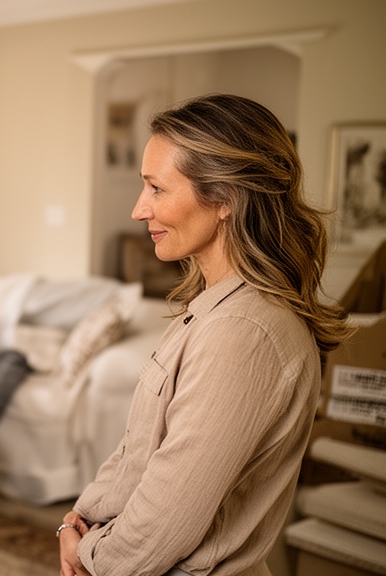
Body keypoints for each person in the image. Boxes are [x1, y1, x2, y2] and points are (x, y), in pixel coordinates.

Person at [57, 94, 354, 576]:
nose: (138, 209)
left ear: (225, 199)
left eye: (156, 189)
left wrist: (90, 555)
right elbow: (138, 453)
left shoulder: (244, 334)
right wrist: (80, 520)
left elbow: (164, 522)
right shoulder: (208, 309)